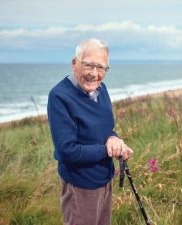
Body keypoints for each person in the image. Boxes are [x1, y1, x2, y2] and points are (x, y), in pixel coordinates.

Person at [47, 38, 133, 225]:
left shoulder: (101, 90)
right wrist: (108, 150)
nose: (94, 74)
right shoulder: (59, 96)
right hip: (81, 185)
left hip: (105, 179)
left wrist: (114, 138)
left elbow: (105, 128)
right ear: (74, 64)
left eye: (101, 68)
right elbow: (67, 151)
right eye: (88, 65)